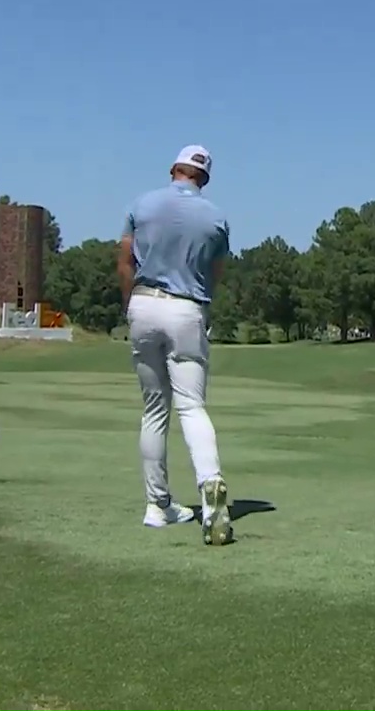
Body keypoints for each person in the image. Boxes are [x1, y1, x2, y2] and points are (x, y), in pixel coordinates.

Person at [118, 144, 233, 546]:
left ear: (174, 169)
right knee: (191, 404)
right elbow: (214, 274)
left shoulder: (141, 204)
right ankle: (210, 484)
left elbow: (124, 262)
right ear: (204, 178)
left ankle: (157, 506)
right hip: (187, 310)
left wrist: (128, 306)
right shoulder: (216, 218)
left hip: (143, 305)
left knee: (154, 410)